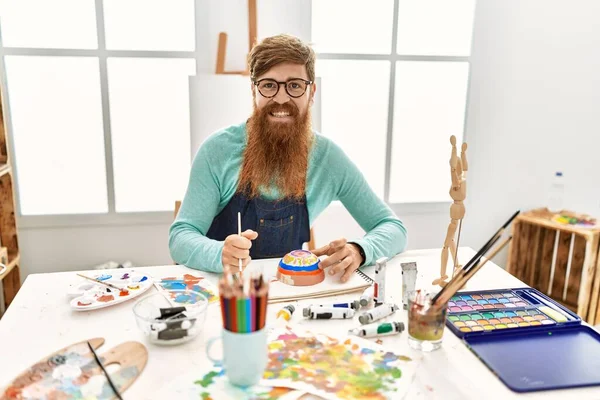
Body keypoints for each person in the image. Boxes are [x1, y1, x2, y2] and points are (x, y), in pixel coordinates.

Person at [169, 34, 407, 282]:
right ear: (254, 90)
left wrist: (359, 250)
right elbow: (181, 236)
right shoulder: (217, 150)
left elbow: (393, 228)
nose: (281, 98)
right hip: (223, 292)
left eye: (294, 85)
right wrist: (219, 253)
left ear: (311, 92)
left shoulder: (328, 159)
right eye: (269, 85)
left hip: (290, 293)